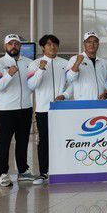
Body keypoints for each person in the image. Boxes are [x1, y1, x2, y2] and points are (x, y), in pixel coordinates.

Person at [0, 34, 35, 187]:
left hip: (25, 108)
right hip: (6, 110)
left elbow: (32, 84)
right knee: (4, 142)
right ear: (5, 46)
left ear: (20, 46)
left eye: (16, 43)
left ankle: (23, 171)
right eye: (10, 43)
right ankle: (3, 174)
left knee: (23, 141)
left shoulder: (29, 63)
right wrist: (8, 75)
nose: (13, 46)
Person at [26, 34, 72, 185]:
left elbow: (72, 84)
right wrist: (40, 69)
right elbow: (31, 85)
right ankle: (43, 173)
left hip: (61, 109)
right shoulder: (34, 64)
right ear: (43, 47)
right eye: (49, 44)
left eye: (55, 44)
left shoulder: (65, 63)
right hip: (43, 109)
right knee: (44, 140)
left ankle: (62, 170)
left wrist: (65, 95)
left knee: (62, 139)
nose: (52, 47)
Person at [66, 32, 107, 100]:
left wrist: (106, 93)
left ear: (98, 44)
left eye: (95, 42)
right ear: (84, 43)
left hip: (100, 103)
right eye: (89, 42)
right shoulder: (75, 59)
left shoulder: (103, 62)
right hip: (83, 102)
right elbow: (69, 78)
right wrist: (77, 62)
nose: (92, 44)